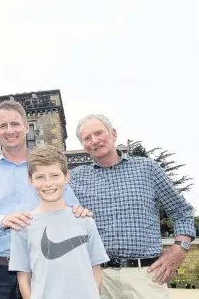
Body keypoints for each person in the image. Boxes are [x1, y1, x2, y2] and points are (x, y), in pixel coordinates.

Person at [0, 100, 91, 299]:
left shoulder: (44, 168)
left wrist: (79, 213)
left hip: (42, 268)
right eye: (2, 126)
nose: (9, 130)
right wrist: (1, 221)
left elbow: (72, 209)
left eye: (14, 124)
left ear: (25, 126)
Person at [68, 114, 196, 299]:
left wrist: (180, 249)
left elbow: (181, 211)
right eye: (87, 138)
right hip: (99, 278)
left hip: (145, 275)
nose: (94, 140)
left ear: (113, 134)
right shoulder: (75, 178)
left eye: (98, 133)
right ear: (83, 145)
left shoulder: (147, 168)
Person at [9, 145, 109, 299]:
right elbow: (24, 278)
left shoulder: (85, 220)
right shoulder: (22, 226)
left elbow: (96, 271)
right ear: (30, 180)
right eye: (40, 177)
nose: (48, 183)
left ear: (66, 177)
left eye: (54, 175)